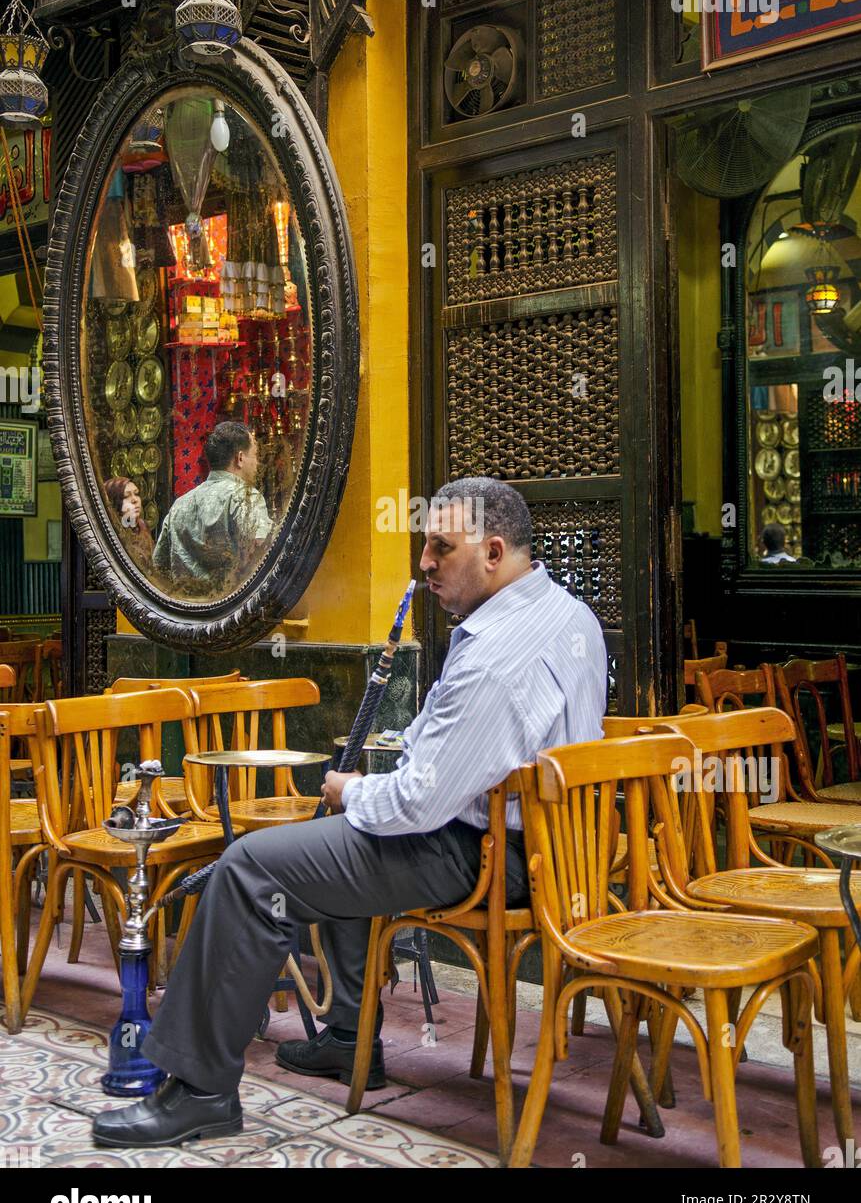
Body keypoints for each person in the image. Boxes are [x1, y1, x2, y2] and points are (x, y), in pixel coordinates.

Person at [92, 476, 608, 1148]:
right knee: (332, 843)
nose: (423, 564)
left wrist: (350, 792)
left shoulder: (495, 658)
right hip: (553, 849)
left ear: (493, 551)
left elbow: (418, 803)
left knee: (250, 868)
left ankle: (198, 1090)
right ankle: (345, 1035)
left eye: (439, 548)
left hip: (479, 855)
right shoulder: (571, 616)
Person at [152, 421, 272, 588]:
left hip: (186, 609)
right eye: (255, 455)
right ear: (240, 458)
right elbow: (262, 555)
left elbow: (159, 567)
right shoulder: (246, 497)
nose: (257, 463)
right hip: (232, 608)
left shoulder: (180, 505)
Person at [104, 477, 154, 570]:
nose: (135, 500)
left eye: (136, 494)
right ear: (114, 501)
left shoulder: (142, 527)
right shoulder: (110, 533)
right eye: (126, 496)